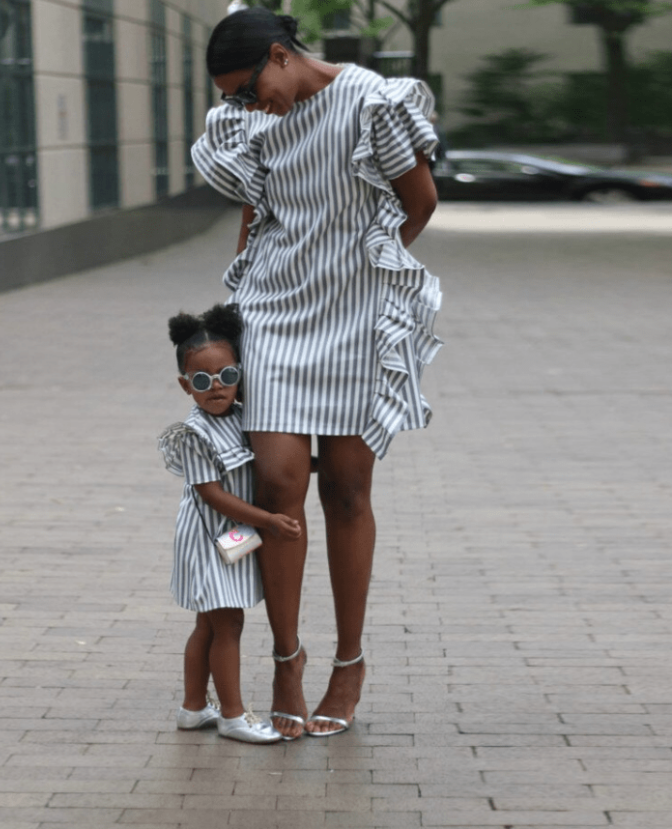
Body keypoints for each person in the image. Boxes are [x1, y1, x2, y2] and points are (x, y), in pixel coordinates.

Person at [190, 9, 444, 740]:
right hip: (271, 312)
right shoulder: (253, 125)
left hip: (355, 316)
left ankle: (349, 662)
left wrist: (366, 268)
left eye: (246, 89)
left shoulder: (373, 103)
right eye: (231, 97)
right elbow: (255, 213)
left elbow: (419, 202)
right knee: (276, 482)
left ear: (280, 55)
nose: (242, 106)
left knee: (347, 488)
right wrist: (231, 304)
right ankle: (286, 659)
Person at [158, 304, 302, 744]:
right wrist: (269, 521)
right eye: (201, 380)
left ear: (241, 373)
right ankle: (233, 716)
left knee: (208, 624)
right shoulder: (194, 434)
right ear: (186, 385)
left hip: (231, 537)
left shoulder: (244, 418)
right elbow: (212, 494)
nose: (215, 387)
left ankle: (192, 708)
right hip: (209, 537)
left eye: (226, 376)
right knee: (227, 625)